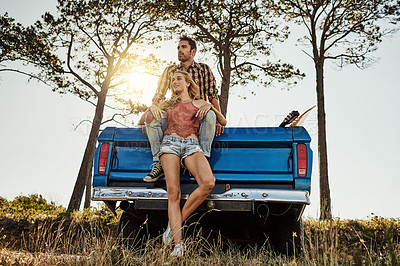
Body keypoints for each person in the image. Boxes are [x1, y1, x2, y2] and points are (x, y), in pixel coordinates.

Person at [140, 70, 227, 257]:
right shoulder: (167, 103)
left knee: (208, 183)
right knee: (174, 193)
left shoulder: (199, 102)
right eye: (172, 80)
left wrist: (211, 109)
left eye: (178, 79)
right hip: (170, 144)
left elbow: (223, 121)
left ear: (188, 83)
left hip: (192, 145)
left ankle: (173, 228)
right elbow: (143, 122)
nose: (174, 82)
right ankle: (178, 247)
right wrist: (151, 108)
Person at [142, 36, 224, 183]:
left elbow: (212, 96)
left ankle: (201, 160)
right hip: (174, 114)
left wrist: (217, 121)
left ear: (193, 51)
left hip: (196, 115)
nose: (180, 50)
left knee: (211, 115)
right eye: (178, 47)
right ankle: (158, 162)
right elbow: (159, 96)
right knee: (152, 116)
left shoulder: (203, 69)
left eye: (184, 47)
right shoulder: (170, 70)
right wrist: (149, 121)